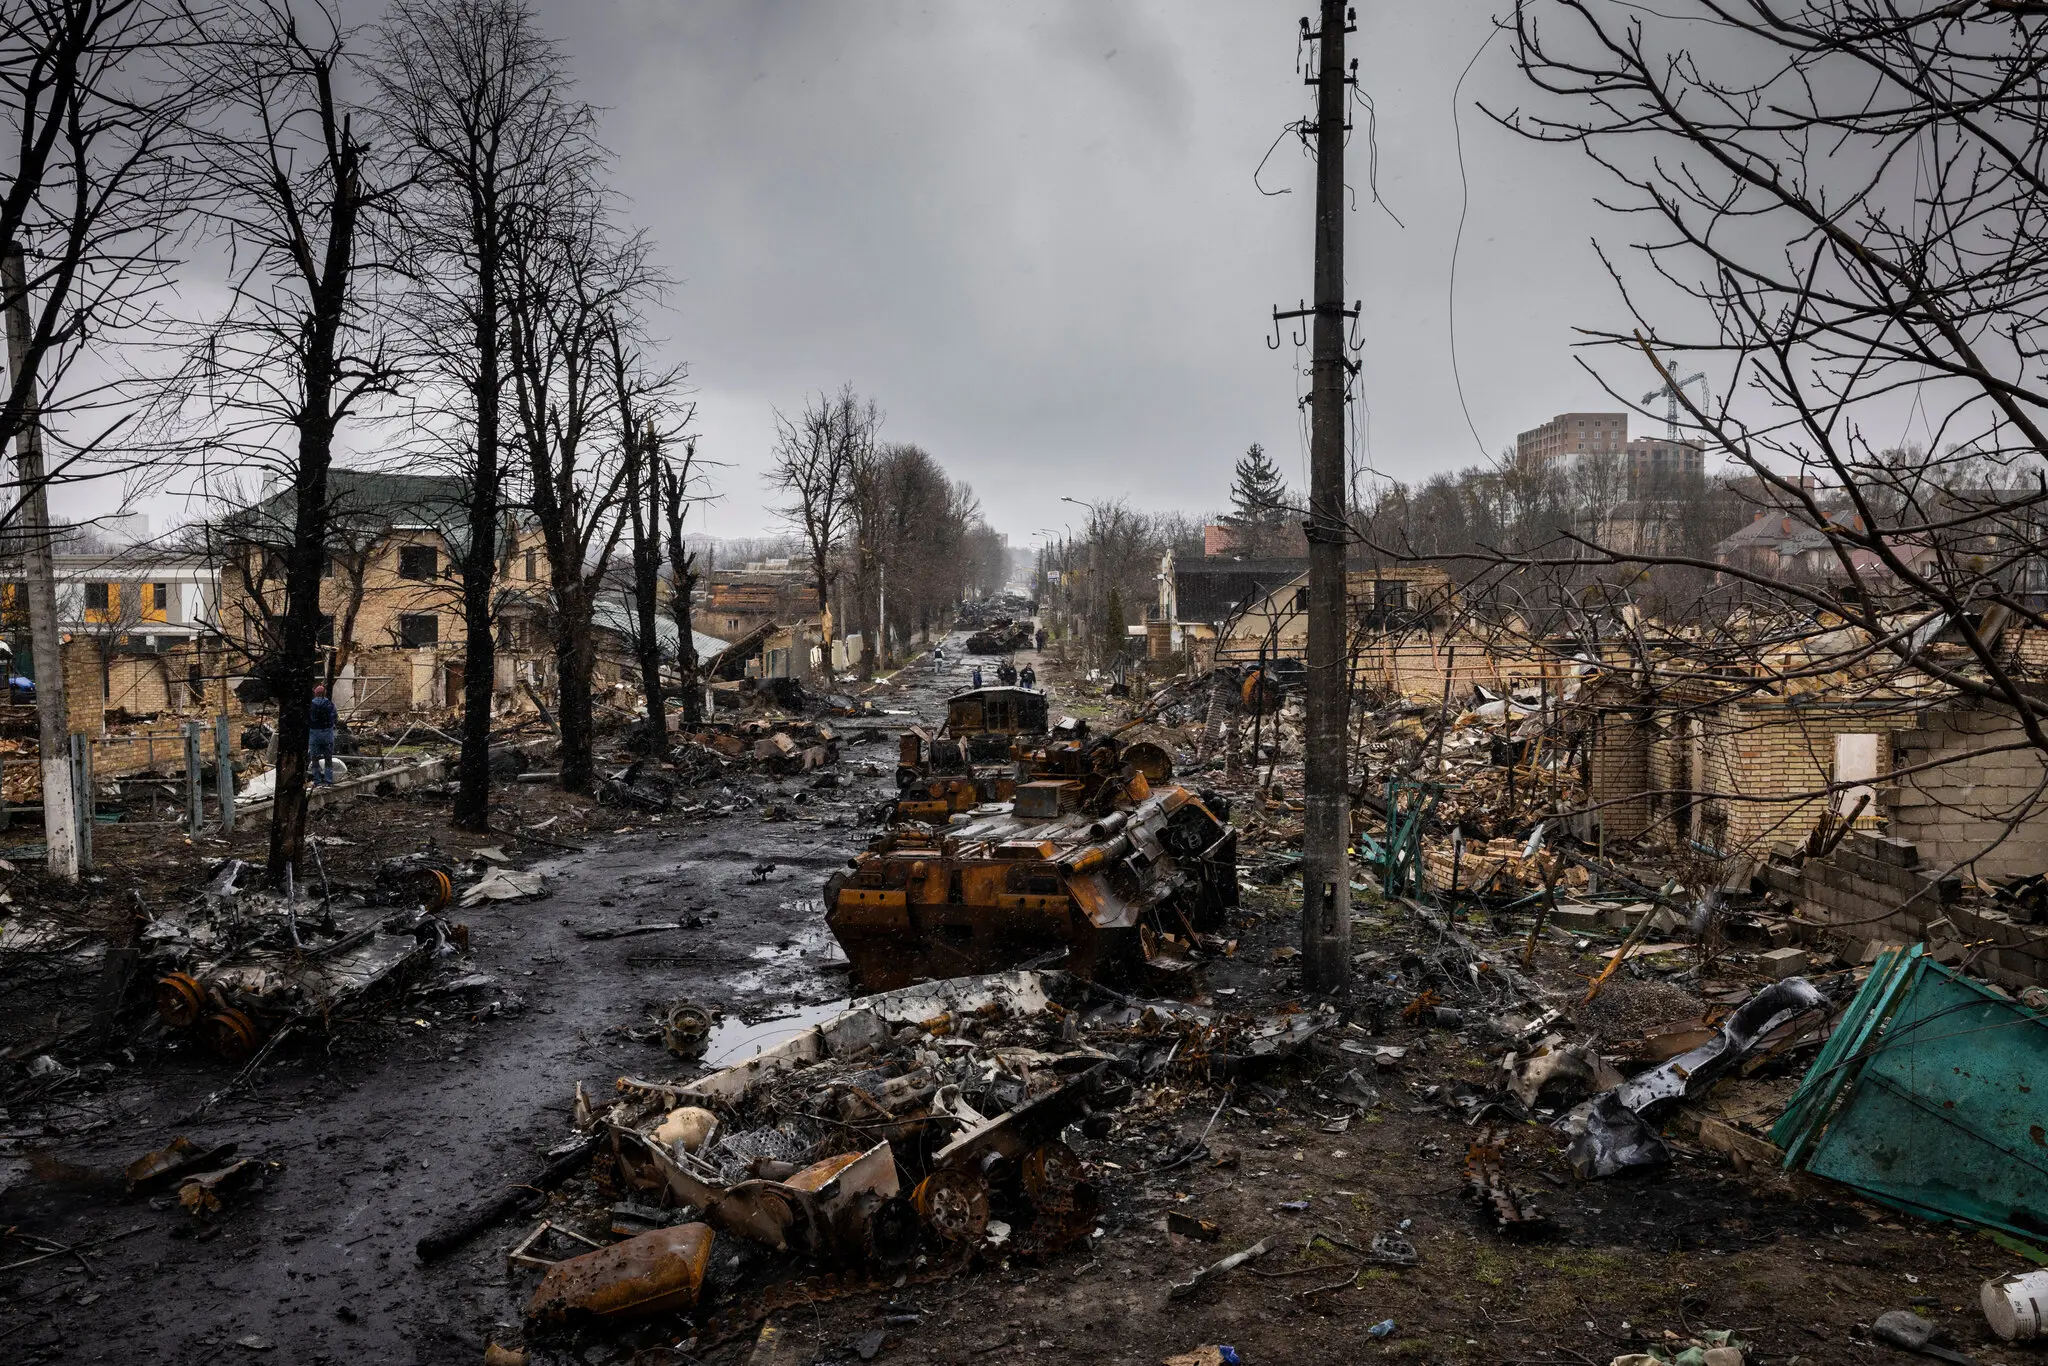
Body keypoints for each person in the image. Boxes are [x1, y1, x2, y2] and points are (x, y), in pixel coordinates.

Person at [309, 683, 338, 786]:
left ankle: (317, 781)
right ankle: (328, 781)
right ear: (324, 693)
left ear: (315, 694)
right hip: (328, 737)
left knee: (315, 759)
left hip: (314, 737)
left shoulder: (311, 705)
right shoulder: (330, 705)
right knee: (328, 759)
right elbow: (335, 718)